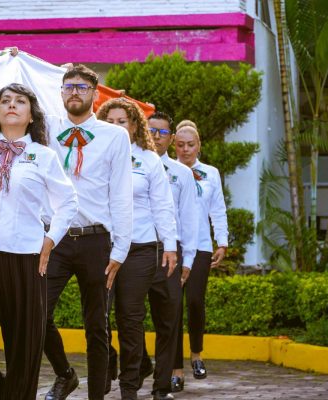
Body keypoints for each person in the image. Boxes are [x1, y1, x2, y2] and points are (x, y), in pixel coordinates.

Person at [0, 83, 78, 400]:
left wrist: (51, 239)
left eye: (20, 101)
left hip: (26, 257)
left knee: (23, 345)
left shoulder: (44, 156)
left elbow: (68, 202)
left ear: (31, 115)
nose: (12, 105)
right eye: (5, 101)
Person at [44, 65, 133, 400]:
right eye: (68, 86)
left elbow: (121, 194)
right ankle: (65, 374)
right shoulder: (47, 128)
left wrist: (120, 249)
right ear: (61, 92)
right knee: (37, 314)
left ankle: (97, 395)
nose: (74, 92)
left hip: (96, 240)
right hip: (55, 239)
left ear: (95, 94)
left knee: (97, 327)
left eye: (81, 87)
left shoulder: (115, 137)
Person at [97, 100, 178, 400]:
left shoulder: (148, 159)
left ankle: (128, 386)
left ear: (134, 126)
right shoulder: (93, 155)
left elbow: (162, 204)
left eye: (122, 121)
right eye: (110, 121)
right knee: (99, 315)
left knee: (129, 317)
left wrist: (169, 245)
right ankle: (111, 364)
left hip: (140, 248)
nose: (116, 127)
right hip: (102, 247)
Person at [140, 112, 199, 395]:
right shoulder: (130, 164)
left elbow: (189, 219)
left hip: (169, 252)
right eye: (151, 130)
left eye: (163, 132)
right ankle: (140, 363)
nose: (156, 136)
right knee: (129, 316)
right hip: (136, 249)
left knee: (168, 320)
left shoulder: (181, 173)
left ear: (171, 138)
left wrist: (188, 259)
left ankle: (162, 385)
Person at [172, 119, 228, 390]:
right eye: (181, 145)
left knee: (195, 301)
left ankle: (196, 354)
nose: (185, 150)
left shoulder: (211, 173)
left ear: (199, 146)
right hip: (173, 247)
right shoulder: (166, 171)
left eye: (190, 145)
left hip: (202, 247)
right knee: (172, 307)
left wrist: (222, 242)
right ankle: (175, 369)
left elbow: (218, 209)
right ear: (174, 145)